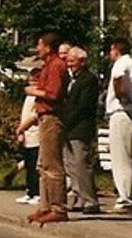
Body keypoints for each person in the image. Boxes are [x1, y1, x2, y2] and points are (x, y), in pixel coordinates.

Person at [23, 32, 69, 226]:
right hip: (43, 118)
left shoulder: (57, 66)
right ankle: (45, 205)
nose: (37, 49)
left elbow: (54, 94)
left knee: (52, 165)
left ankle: (58, 208)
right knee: (42, 165)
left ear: (48, 47)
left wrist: (34, 91)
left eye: (40, 45)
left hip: (52, 118)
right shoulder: (47, 66)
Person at [61, 46, 100, 215]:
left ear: (82, 62)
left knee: (81, 163)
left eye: (72, 61)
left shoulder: (88, 79)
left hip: (80, 127)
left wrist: (67, 121)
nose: (69, 64)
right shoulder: (71, 79)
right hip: (68, 128)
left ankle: (91, 200)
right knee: (70, 165)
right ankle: (78, 196)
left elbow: (83, 106)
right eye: (68, 61)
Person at [106, 37, 132, 212]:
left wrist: (122, 97)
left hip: (120, 111)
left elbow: (118, 78)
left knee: (121, 157)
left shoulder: (121, 62)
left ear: (116, 49)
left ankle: (125, 197)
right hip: (128, 112)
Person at [14, 68, 41, 205]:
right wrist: (21, 132)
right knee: (29, 165)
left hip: (35, 134)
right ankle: (29, 191)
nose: (32, 84)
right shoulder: (28, 97)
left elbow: (34, 116)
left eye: (35, 81)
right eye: (30, 81)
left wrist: (21, 128)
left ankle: (37, 192)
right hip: (27, 135)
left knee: (36, 165)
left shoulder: (38, 97)